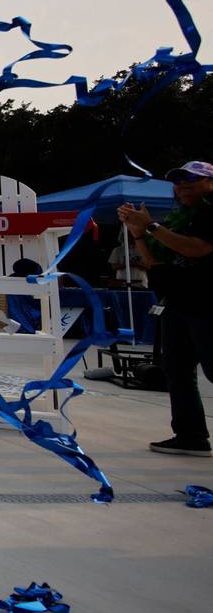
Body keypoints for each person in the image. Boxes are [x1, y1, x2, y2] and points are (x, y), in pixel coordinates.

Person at [119, 161, 213, 458]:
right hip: (179, 302)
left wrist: (150, 226)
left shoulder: (211, 215)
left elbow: (196, 248)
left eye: (192, 180)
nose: (183, 185)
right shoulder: (177, 220)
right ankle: (190, 436)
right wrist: (138, 235)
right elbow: (156, 264)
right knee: (177, 370)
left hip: (209, 305)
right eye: (178, 181)